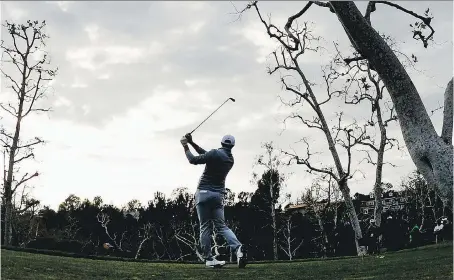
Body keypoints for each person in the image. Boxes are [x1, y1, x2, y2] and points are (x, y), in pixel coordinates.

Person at [180, 133, 246, 268]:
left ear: (221, 143)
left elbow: (193, 159)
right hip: (218, 196)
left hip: (203, 194)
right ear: (232, 146)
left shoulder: (214, 153)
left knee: (205, 226)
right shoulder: (230, 159)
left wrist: (185, 145)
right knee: (221, 226)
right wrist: (192, 143)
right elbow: (206, 155)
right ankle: (237, 248)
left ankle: (209, 259)